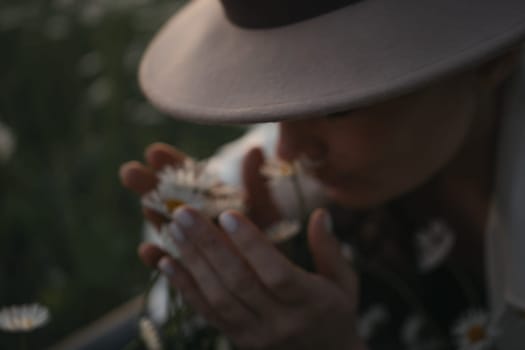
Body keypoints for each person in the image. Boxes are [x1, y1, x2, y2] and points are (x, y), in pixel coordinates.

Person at [119, 0, 525, 348]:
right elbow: (208, 190)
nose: (288, 151)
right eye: (278, 100)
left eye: (338, 107)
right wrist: (229, 247)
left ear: (491, 57)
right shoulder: (346, 165)